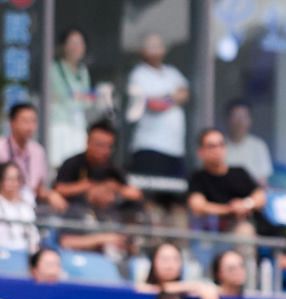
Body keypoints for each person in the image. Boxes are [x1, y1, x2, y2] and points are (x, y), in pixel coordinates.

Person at [51, 120, 140, 255]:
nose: (103, 150)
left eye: (108, 146)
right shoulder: (73, 163)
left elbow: (134, 193)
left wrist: (115, 188)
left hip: (107, 222)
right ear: (88, 141)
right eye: (99, 144)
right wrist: (85, 186)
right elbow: (58, 189)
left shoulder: (113, 169)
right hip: (76, 222)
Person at [125, 34, 191, 205]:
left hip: (174, 150)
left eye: (158, 45)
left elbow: (185, 94)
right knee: (148, 199)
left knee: (174, 201)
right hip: (150, 148)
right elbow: (154, 104)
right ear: (142, 51)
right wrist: (171, 97)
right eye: (150, 46)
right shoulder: (139, 74)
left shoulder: (172, 72)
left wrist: (165, 98)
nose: (155, 50)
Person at [46, 28, 110, 169]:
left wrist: (91, 96)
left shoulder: (83, 71)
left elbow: (86, 103)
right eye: (72, 43)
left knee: (76, 167)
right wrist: (90, 95)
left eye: (80, 43)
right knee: (57, 165)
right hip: (59, 124)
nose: (76, 47)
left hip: (78, 126)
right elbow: (63, 95)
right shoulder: (54, 68)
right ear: (63, 46)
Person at [185, 128, 263, 235]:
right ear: (201, 152)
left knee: (244, 231)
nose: (217, 150)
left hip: (241, 225)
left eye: (221, 145)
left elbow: (260, 196)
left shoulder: (239, 172)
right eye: (212, 146)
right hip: (209, 230)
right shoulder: (198, 177)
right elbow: (197, 205)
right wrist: (230, 209)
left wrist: (246, 204)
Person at [0, 104, 58, 213]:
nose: (30, 127)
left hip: (29, 208)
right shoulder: (1, 147)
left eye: (33, 121)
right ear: (12, 123)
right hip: (4, 208)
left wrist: (50, 195)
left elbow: (39, 187)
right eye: (25, 121)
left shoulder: (38, 151)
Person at [224, 101, 273, 187]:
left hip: (251, 196)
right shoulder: (219, 145)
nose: (240, 122)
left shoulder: (259, 146)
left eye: (244, 117)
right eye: (235, 116)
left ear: (250, 120)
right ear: (228, 119)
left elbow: (263, 180)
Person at [0, 163, 38, 253]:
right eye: (10, 179)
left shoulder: (25, 205)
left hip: (24, 253)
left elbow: (33, 235)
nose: (14, 183)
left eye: (17, 179)